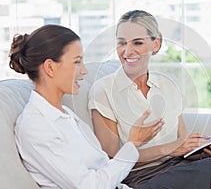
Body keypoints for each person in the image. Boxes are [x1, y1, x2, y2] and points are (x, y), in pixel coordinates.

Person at [88, 10, 211, 189]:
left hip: (175, 167)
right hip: (140, 176)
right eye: (121, 43)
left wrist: (200, 151)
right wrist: (169, 149)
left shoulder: (168, 86)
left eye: (137, 43)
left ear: (155, 45)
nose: (127, 51)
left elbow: (181, 145)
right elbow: (111, 159)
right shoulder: (104, 89)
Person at [11, 24, 164, 189]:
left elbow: (103, 167)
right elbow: (91, 186)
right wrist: (133, 143)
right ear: (50, 67)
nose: (84, 71)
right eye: (77, 62)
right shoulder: (35, 126)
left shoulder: (66, 115)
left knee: (194, 167)